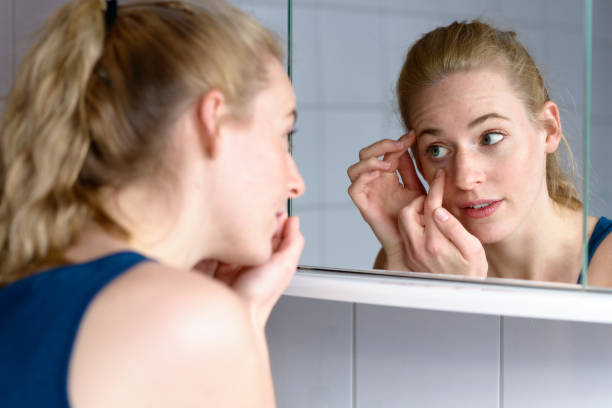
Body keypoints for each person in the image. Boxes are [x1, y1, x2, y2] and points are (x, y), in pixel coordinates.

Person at [0, 0, 305, 407]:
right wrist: (235, 326)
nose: (295, 183)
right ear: (212, 121)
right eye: (284, 136)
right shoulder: (190, 322)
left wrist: (242, 316)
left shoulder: (24, 279)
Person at [348, 20, 612, 287]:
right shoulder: (418, 259)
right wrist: (398, 249)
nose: (464, 178)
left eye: (490, 138)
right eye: (437, 150)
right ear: (417, 160)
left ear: (549, 129)